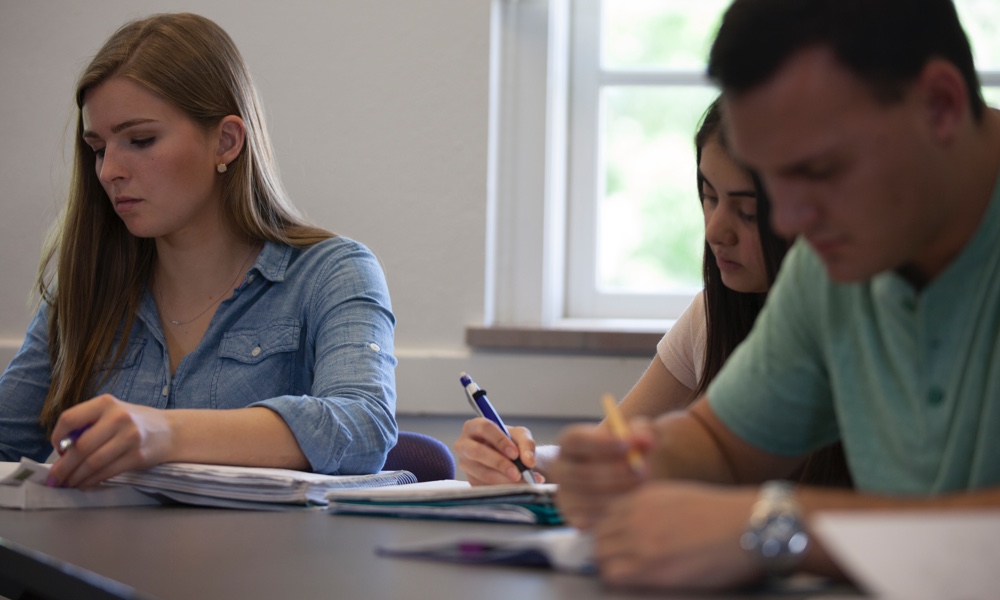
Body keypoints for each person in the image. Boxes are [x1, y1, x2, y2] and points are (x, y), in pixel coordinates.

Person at [553, 0, 1000, 590]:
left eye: (817, 171)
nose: (788, 221)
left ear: (940, 105)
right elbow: (724, 442)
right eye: (771, 180)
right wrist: (634, 462)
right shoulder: (835, 258)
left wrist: (777, 526)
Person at [0, 13, 398, 488]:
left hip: (264, 562)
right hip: (100, 559)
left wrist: (163, 432)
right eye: (98, 148)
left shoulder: (332, 273)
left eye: (140, 140)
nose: (108, 171)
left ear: (227, 141)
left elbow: (362, 428)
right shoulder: (85, 285)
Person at [454, 98, 849, 491]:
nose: (715, 231)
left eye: (747, 212)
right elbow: (613, 452)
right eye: (709, 197)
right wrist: (525, 460)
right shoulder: (714, 316)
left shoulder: (851, 320)